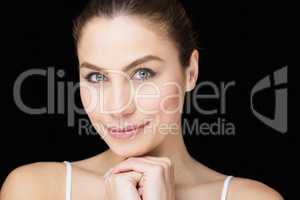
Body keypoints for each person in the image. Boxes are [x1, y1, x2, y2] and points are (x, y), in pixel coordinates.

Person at [0, 0, 283, 199]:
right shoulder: (35, 189)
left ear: (191, 72)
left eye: (142, 73)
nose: (118, 106)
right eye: (96, 77)